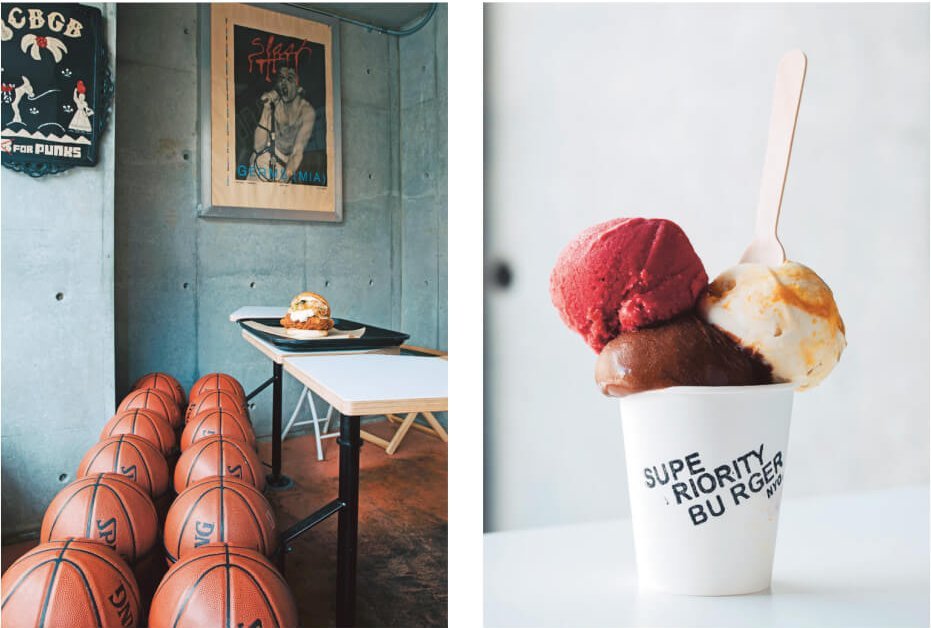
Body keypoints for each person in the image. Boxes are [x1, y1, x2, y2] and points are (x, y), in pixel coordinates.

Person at [250, 66, 315, 182]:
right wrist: (266, 110)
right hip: (258, 168)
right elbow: (258, 146)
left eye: (289, 79)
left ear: (299, 88)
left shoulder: (306, 113)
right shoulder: (274, 103)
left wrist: (282, 183)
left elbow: (297, 154)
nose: (283, 82)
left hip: (282, 174)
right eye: (281, 78)